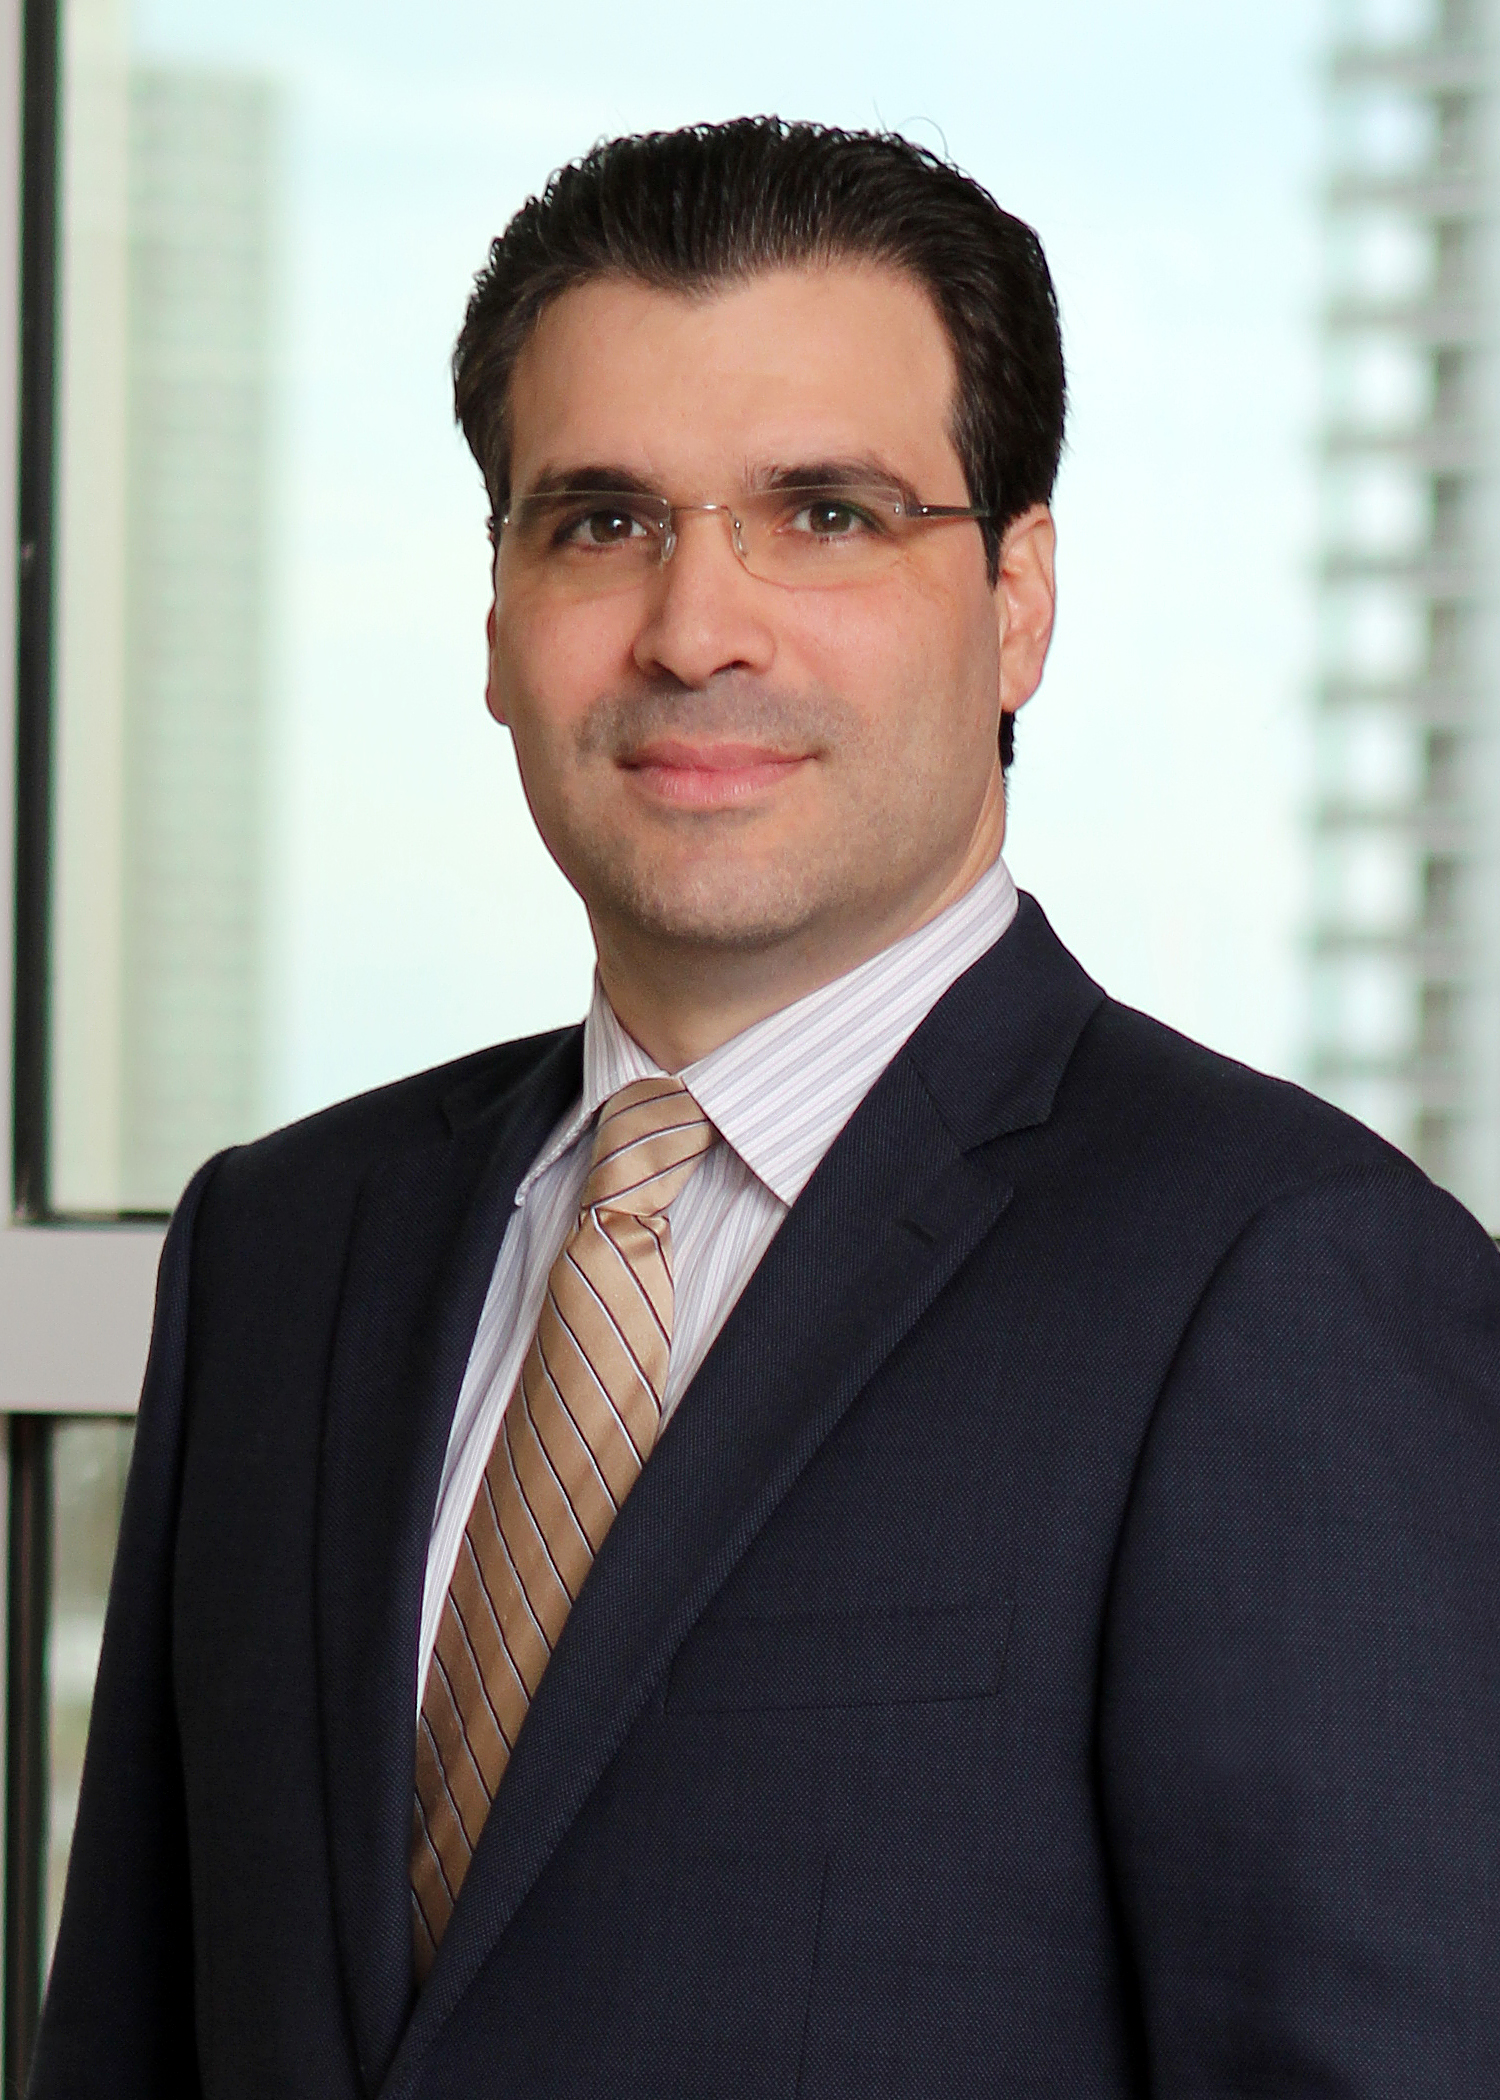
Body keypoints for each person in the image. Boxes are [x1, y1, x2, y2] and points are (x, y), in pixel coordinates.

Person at [30, 119, 1500, 2100]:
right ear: (496, 618)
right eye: (601, 521)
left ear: (1017, 601)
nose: (695, 628)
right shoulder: (283, 1251)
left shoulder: (1283, 1279)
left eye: (824, 514)